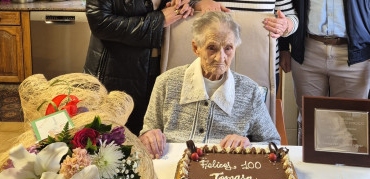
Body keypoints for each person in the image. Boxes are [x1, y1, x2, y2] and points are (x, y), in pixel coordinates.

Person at [139, 12, 280, 158]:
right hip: (173, 165)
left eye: (228, 48)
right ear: (196, 48)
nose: (221, 57)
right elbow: (147, 133)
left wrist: (247, 145)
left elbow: (273, 141)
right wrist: (149, 137)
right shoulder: (166, 82)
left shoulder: (250, 91)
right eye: (212, 48)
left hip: (227, 170)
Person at [278, 0, 370, 144]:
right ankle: (307, 166)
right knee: (309, 123)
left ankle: (347, 166)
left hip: (355, 53)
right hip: (307, 50)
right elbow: (285, 5)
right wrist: (283, 47)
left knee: (351, 124)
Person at [83, 0, 195, 136]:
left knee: (149, 142)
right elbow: (100, 22)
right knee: (109, 142)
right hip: (113, 72)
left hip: (158, 70)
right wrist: (158, 21)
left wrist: (194, 3)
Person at [192, 0, 299, 85]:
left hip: (261, 68)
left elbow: (292, 17)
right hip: (211, 67)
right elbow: (180, 6)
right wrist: (198, 4)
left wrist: (285, 25)